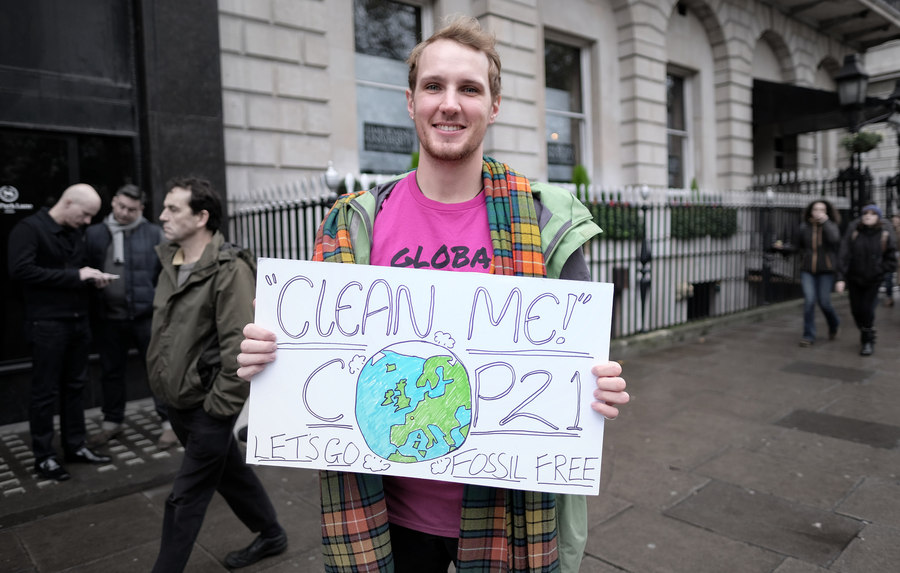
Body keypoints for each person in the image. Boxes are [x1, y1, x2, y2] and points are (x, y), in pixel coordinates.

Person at [237, 17, 629, 573]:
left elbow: (580, 362)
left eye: (469, 88)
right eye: (433, 86)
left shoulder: (546, 222)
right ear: (411, 101)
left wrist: (599, 386)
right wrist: (272, 357)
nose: (450, 104)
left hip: (508, 515)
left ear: (493, 106)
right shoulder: (354, 223)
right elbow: (316, 360)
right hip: (384, 515)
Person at [146, 177, 287, 571]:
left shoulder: (230, 269)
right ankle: (272, 534)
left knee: (184, 497)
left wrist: (218, 409)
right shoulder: (170, 261)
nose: (162, 216)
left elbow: (239, 348)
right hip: (177, 401)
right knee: (229, 473)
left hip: (209, 406)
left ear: (201, 217)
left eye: (173, 208)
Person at [7, 184, 114, 481]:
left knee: (75, 387)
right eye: (86, 214)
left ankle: (75, 446)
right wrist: (76, 275)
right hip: (47, 324)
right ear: (68, 202)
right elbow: (21, 271)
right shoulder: (29, 229)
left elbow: (74, 273)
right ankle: (44, 457)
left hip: (77, 321)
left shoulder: (73, 232)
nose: (88, 221)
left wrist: (92, 278)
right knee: (45, 392)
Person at [85, 184, 177, 449]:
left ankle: (168, 424)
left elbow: (167, 274)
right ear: (113, 201)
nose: (125, 213)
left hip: (146, 315)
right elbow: (85, 267)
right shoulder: (94, 233)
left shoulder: (154, 233)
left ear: (141, 209)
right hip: (108, 317)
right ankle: (112, 422)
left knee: (157, 370)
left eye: (132, 209)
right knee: (111, 371)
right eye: (121, 206)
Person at [774, 200, 841, 346]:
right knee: (809, 301)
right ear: (811, 211)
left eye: (822, 210)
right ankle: (808, 335)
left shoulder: (831, 226)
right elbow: (797, 247)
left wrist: (825, 223)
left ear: (827, 212)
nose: (818, 212)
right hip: (807, 270)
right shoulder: (804, 227)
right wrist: (782, 249)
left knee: (824, 303)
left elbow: (835, 240)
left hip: (826, 270)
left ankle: (834, 323)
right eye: (815, 209)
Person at [836, 204, 898, 356]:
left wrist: (879, 270)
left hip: (873, 279)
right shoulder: (854, 232)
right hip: (854, 278)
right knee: (856, 310)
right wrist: (840, 278)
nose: (868, 216)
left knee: (867, 309)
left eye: (872, 213)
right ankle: (866, 329)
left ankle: (867, 340)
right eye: (865, 213)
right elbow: (844, 254)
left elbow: (891, 259)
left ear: (878, 217)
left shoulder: (884, 234)